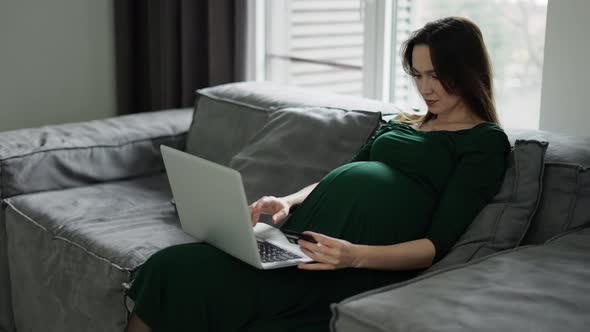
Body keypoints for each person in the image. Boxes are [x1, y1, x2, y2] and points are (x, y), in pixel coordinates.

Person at [126, 16, 510, 332]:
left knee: (197, 287)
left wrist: (353, 256)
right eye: (418, 75)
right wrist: (287, 200)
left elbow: (434, 246)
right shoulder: (403, 121)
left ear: (467, 71)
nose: (426, 88)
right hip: (299, 245)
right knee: (168, 266)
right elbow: (342, 173)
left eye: (437, 75)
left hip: (350, 268)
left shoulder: (483, 142)